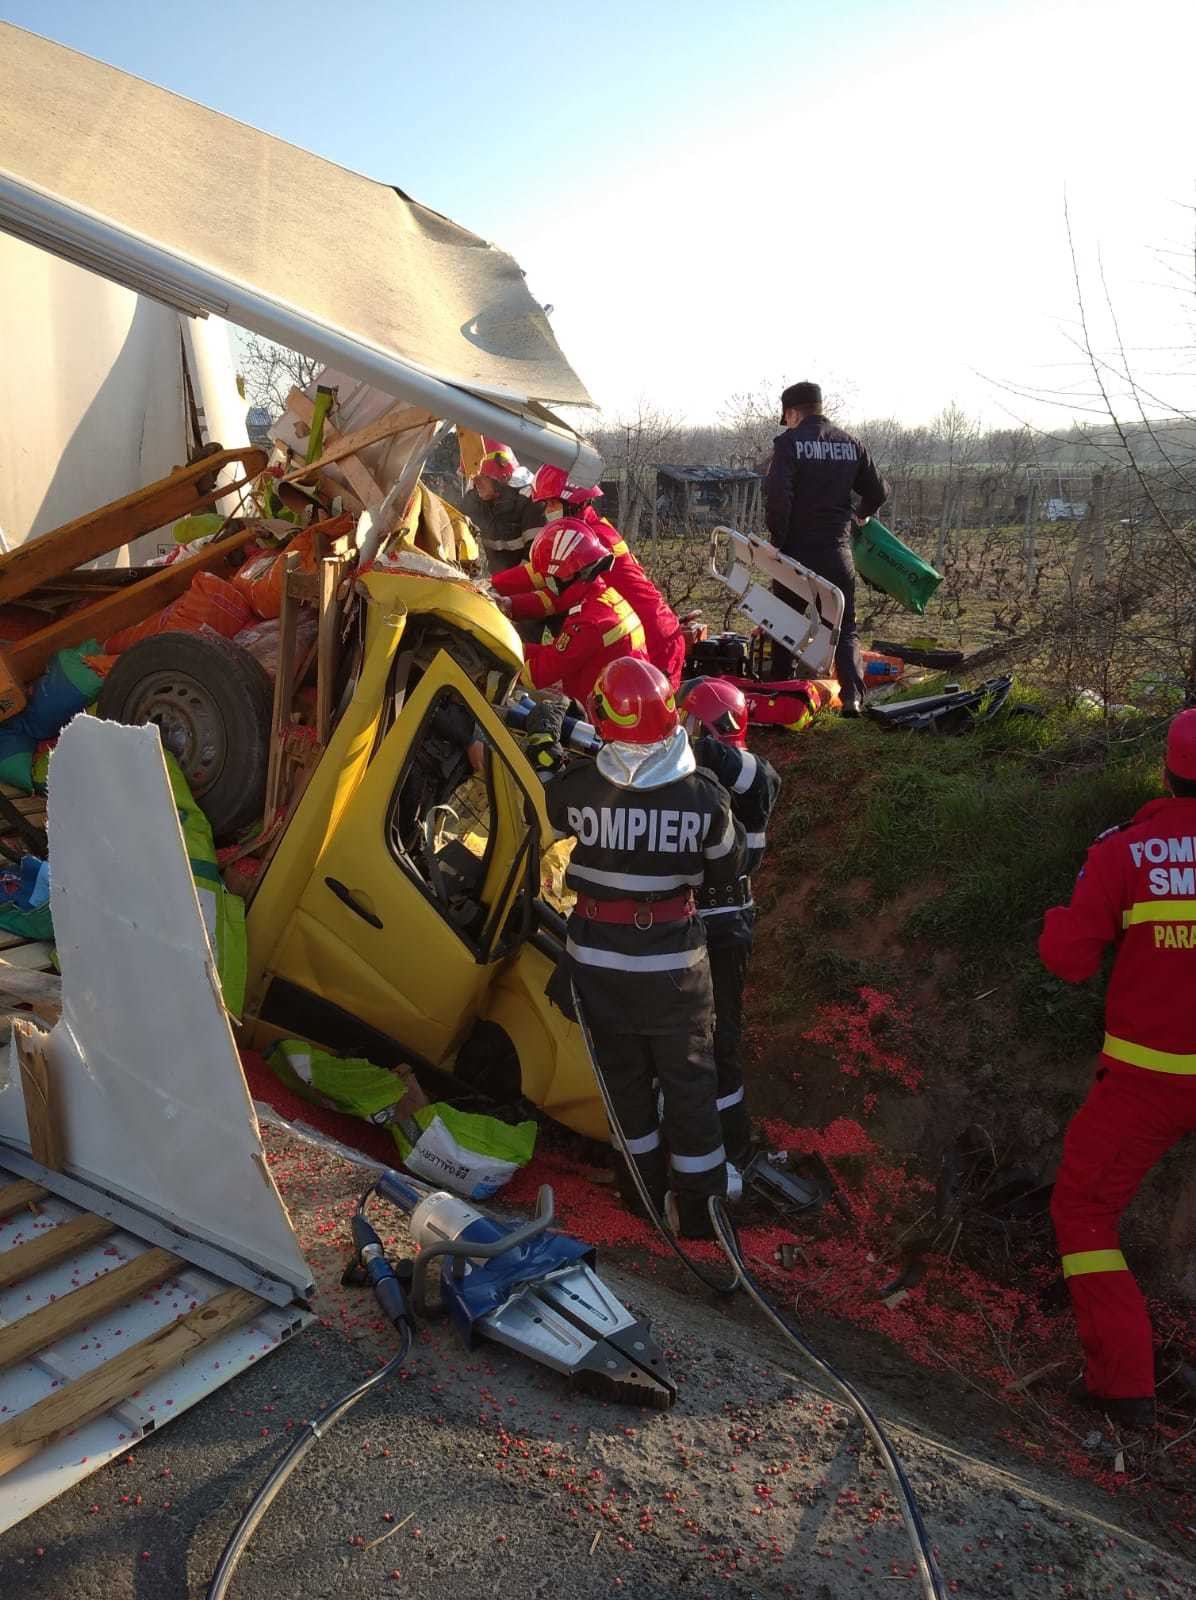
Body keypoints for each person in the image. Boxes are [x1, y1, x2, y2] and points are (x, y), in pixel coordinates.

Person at [1039, 708, 1196, 1429]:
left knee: (1084, 1213)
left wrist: (1056, 917)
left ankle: (1123, 1387)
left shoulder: (1125, 851)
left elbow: (1067, 961)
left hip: (1145, 1084)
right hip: (1147, 1082)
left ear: (1165, 772)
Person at [540, 657, 734, 1237]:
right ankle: (699, 1215)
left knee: (623, 1085)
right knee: (690, 1088)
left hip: (599, 969)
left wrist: (544, 739)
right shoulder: (704, 797)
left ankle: (640, 1197)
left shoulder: (578, 787)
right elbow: (727, 870)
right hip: (675, 972)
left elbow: (545, 804)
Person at [677, 677, 781, 1169]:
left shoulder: (751, 775)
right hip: (702, 919)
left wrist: (668, 740)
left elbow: (736, 767)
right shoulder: (707, 774)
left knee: (719, 1039)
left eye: (688, 719)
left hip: (720, 924)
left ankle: (731, 1150)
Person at [763, 381, 888, 715]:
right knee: (844, 626)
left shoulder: (789, 444)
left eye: (787, 418)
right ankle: (852, 698)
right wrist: (861, 514)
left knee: (783, 621)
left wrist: (777, 542)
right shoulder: (851, 444)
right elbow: (878, 491)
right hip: (836, 550)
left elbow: (778, 498)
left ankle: (782, 694)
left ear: (792, 413)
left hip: (795, 551)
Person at [491, 502, 686, 687]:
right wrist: (507, 633)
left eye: (552, 503)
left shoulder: (588, 623)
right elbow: (557, 641)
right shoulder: (596, 591)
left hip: (656, 645)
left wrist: (493, 664)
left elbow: (539, 674)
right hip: (630, 670)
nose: (547, 510)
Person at [517, 521, 647, 706]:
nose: (548, 583)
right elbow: (558, 651)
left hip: (600, 714)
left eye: (549, 577)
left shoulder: (588, 623)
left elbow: (538, 674)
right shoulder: (604, 598)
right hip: (623, 703)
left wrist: (497, 669)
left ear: (566, 575)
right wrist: (516, 647)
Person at [462, 438, 542, 573]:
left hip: (526, 580)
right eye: (472, 476)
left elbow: (536, 558)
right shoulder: (473, 501)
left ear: (499, 476)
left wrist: (502, 582)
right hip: (499, 579)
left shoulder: (528, 499)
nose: (476, 482)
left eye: (480, 476)